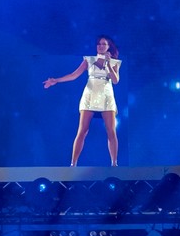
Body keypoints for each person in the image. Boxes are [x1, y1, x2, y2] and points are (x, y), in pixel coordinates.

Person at [43, 35, 122, 166]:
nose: (100, 46)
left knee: (111, 131)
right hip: (89, 95)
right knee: (82, 131)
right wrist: (56, 80)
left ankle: (114, 163)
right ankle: (73, 164)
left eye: (103, 44)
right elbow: (73, 75)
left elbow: (115, 80)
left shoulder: (114, 63)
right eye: (98, 44)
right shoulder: (89, 60)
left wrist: (108, 63)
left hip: (106, 96)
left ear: (109, 47)